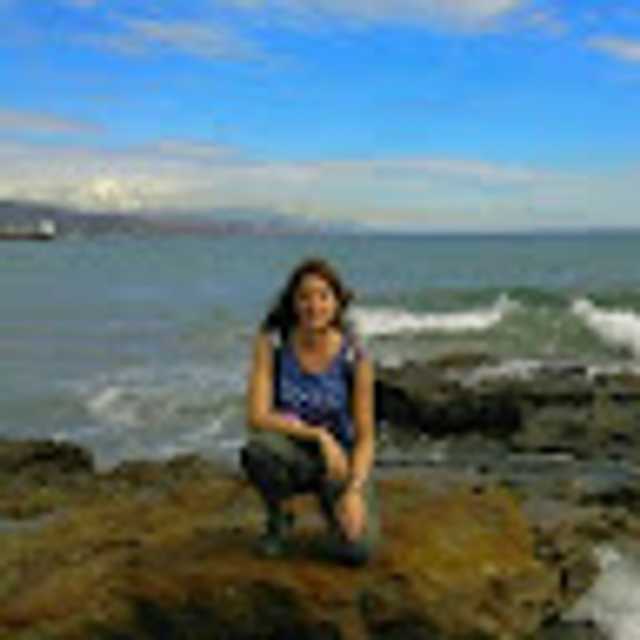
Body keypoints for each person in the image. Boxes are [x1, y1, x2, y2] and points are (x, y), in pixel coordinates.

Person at [240, 257, 379, 566]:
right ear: (292, 302)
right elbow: (257, 416)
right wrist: (318, 435)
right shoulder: (274, 342)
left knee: (359, 552)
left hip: (340, 463)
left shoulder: (354, 354)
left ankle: (332, 503)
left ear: (337, 302)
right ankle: (280, 516)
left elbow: (366, 436)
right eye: (304, 297)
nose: (314, 306)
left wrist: (354, 490)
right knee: (259, 450)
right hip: (294, 452)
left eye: (323, 296)